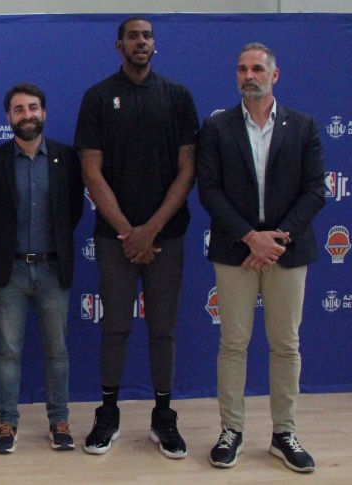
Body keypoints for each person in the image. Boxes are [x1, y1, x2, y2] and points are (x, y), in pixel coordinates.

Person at [74, 16, 199, 459]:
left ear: (154, 46)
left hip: (168, 236)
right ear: (119, 45)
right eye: (133, 36)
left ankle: (163, 416)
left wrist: (152, 229)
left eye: (147, 36)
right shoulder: (97, 97)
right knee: (116, 327)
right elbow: (91, 169)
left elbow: (188, 169)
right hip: (115, 239)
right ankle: (108, 413)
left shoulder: (178, 97)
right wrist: (130, 232)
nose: (140, 42)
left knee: (163, 330)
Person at [197, 42, 324, 473]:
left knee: (286, 345)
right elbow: (209, 191)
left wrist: (276, 240)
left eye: (256, 68)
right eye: (241, 69)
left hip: (287, 253)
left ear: (275, 75)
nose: (248, 75)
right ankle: (230, 431)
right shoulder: (216, 128)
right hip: (237, 251)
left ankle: (283, 433)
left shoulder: (303, 126)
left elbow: (315, 191)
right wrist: (252, 237)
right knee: (233, 344)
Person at [0, 83, 83, 454]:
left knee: (57, 351)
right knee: (8, 352)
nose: (27, 115)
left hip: (54, 268)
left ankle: (59, 422)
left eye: (33, 108)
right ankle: (7, 423)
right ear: (8, 117)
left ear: (44, 113)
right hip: (12, 271)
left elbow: (73, 212)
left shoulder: (67, 158)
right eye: (18, 109)